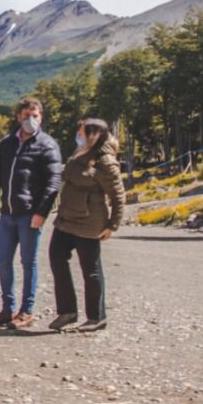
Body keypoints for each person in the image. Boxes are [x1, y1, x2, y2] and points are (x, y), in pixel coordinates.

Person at [0, 96, 64, 329]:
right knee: (3, 261)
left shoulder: (47, 145)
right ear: (18, 117)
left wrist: (42, 212)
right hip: (7, 214)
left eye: (34, 116)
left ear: (41, 117)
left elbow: (53, 181)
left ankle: (26, 311)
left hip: (30, 215)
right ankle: (7, 309)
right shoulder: (7, 143)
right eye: (26, 116)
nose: (30, 120)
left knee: (28, 262)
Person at [48, 117, 126, 333]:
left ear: (94, 135)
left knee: (90, 269)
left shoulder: (106, 161)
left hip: (90, 222)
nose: (78, 135)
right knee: (56, 257)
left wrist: (113, 225)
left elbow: (118, 195)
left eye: (82, 132)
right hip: (66, 219)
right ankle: (67, 311)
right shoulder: (79, 152)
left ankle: (97, 317)